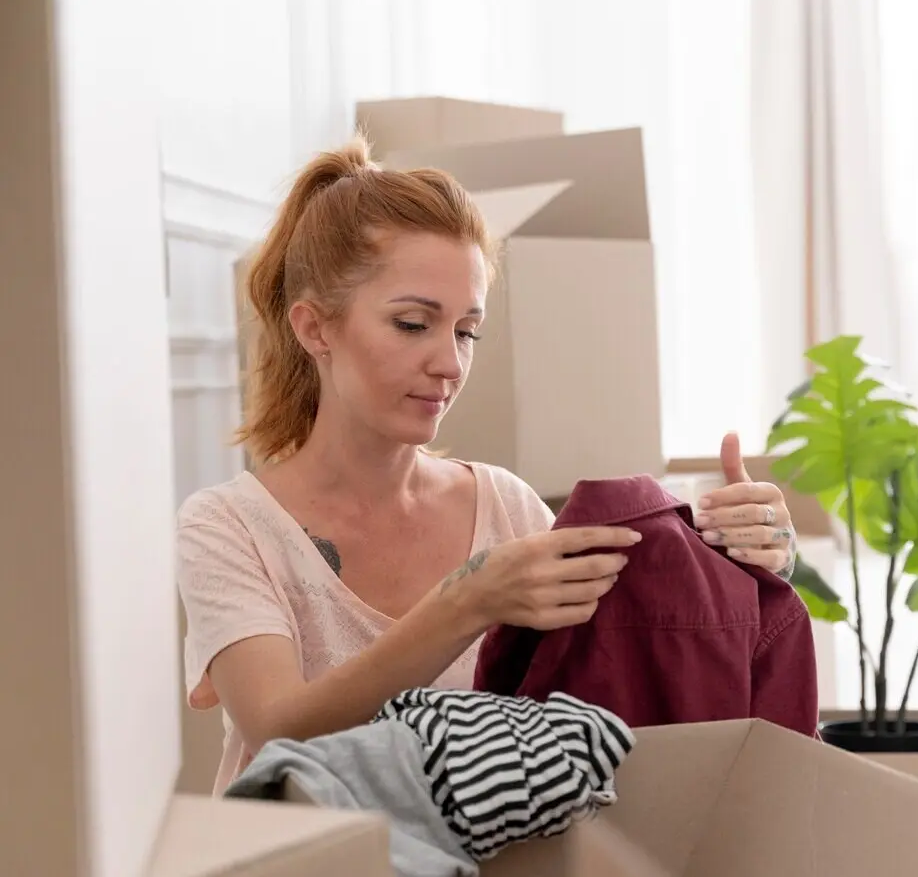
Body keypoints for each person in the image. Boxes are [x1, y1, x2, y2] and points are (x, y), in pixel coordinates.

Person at [176, 135, 798, 795]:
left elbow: (629, 686)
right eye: (414, 323)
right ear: (315, 328)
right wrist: (468, 601)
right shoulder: (227, 526)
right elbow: (280, 732)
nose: (450, 363)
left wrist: (752, 562)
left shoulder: (505, 507)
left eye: (466, 330)